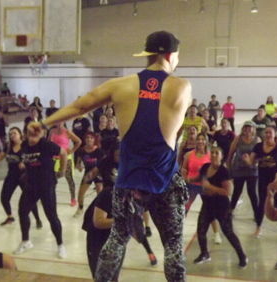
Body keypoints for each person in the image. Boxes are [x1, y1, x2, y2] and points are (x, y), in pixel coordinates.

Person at [27, 31, 190, 281]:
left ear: (148, 55)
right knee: (173, 248)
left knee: (116, 241)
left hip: (128, 181)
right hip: (164, 179)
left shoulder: (120, 85)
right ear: (169, 55)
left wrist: (45, 124)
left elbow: (81, 106)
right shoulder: (181, 86)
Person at [82, 142, 158, 280]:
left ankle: (149, 251)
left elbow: (136, 222)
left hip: (117, 237)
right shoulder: (108, 193)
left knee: (114, 276)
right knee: (100, 276)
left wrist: (140, 226)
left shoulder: (134, 195)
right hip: (100, 231)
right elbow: (99, 222)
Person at [14, 131, 68, 259]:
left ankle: (60, 245)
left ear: (40, 135)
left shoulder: (46, 144)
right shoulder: (24, 146)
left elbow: (64, 153)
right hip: (31, 185)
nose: (31, 138)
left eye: (34, 135)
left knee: (51, 216)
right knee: (22, 211)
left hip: (46, 185)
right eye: (29, 134)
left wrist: (62, 170)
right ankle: (26, 241)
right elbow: (26, 160)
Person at [193, 147, 247, 268]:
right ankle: (204, 253)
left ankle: (242, 256)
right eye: (212, 152)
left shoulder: (223, 171)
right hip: (207, 205)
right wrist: (188, 178)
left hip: (222, 207)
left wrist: (210, 187)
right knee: (201, 231)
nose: (213, 154)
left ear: (221, 156)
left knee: (228, 232)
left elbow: (228, 191)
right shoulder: (205, 167)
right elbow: (199, 179)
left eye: (217, 153)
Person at [243, 126, 277, 237]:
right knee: (262, 203)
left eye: (270, 133)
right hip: (263, 179)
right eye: (266, 132)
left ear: (275, 134)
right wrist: (247, 160)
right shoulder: (258, 147)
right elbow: (252, 163)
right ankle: (258, 228)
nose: (268, 135)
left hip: (276, 179)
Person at [0, 127, 42, 227]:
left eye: (14, 133)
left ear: (20, 135)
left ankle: (37, 219)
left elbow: (35, 157)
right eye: (10, 134)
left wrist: (25, 162)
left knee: (29, 200)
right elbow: (3, 154)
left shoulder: (26, 146)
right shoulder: (8, 146)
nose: (12, 136)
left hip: (24, 177)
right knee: (4, 198)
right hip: (11, 176)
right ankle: (10, 216)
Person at [227, 121, 259, 213]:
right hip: (238, 170)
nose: (247, 130)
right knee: (237, 192)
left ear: (253, 129)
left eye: (250, 127)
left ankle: (257, 215)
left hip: (252, 170)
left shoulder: (257, 139)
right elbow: (230, 155)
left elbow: (260, 155)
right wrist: (230, 171)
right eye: (246, 127)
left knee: (252, 193)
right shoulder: (238, 139)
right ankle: (230, 211)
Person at [48, 122, 82, 206]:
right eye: (58, 121)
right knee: (52, 179)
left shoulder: (67, 132)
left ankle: (73, 198)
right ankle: (50, 197)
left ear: (63, 122)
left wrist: (72, 150)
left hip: (66, 158)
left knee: (69, 179)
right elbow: (48, 143)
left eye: (61, 121)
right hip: (54, 158)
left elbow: (78, 141)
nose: (59, 123)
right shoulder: (52, 131)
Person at [74, 132, 104, 217]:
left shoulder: (98, 150)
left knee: (100, 192)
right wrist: (79, 166)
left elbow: (103, 163)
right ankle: (80, 208)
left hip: (97, 172)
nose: (89, 139)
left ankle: (100, 211)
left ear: (94, 140)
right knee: (81, 193)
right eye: (87, 138)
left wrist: (96, 171)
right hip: (87, 173)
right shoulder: (81, 150)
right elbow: (78, 163)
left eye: (91, 138)